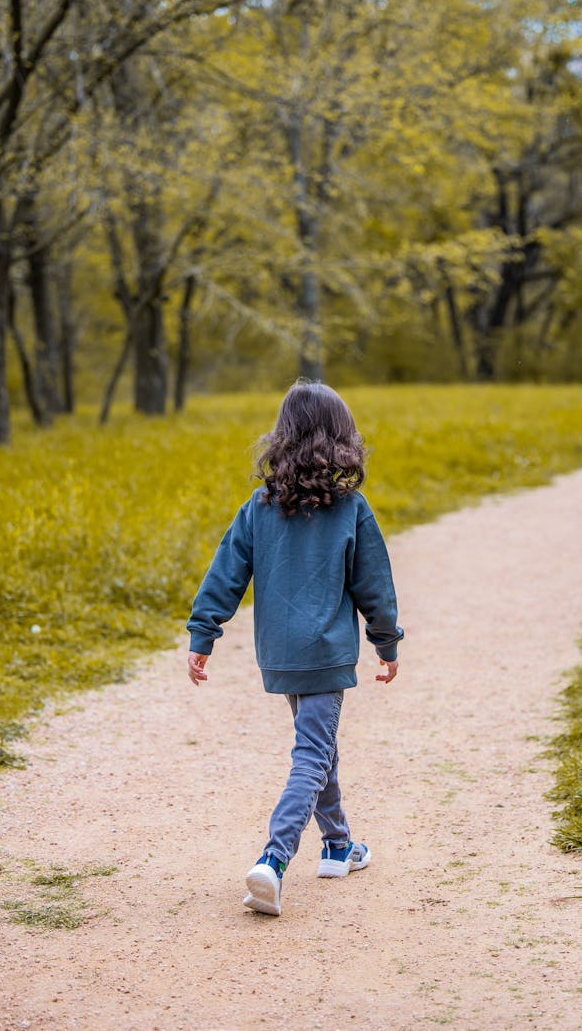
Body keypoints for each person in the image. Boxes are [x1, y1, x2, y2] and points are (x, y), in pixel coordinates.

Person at [186, 380, 403, 917]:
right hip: (325, 651)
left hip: (280, 653)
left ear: (282, 438)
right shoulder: (351, 507)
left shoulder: (259, 507)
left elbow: (225, 574)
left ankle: (338, 846)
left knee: (317, 743)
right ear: (341, 440)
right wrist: (386, 642)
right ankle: (274, 860)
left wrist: (203, 634)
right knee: (312, 752)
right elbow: (373, 584)